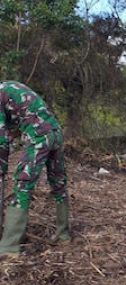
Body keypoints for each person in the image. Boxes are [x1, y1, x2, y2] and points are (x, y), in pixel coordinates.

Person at [0, 81, 70, 259]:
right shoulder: (11, 87)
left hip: (39, 136)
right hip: (56, 133)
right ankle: (63, 234)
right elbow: (15, 125)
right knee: (58, 183)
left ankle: (9, 246)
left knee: (23, 184)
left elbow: (1, 139)